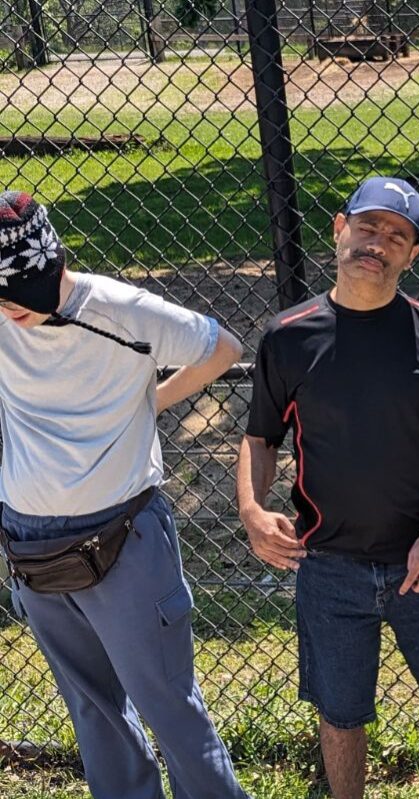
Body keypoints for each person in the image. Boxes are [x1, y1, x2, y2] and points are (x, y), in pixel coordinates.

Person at [236, 177, 419, 799]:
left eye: (397, 236)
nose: (377, 244)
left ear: (412, 256)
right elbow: (260, 439)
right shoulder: (288, 334)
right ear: (339, 228)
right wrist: (251, 508)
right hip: (328, 560)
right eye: (368, 227)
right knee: (340, 711)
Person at [0, 191, 250, 798]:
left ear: (56, 260)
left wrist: (152, 400)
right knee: (92, 710)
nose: (15, 311)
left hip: (124, 536)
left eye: (25, 294)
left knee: (168, 705)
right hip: (30, 541)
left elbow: (224, 349)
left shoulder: (121, 308)